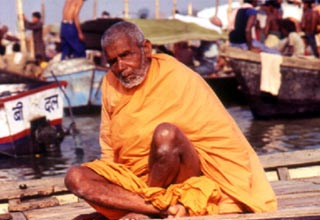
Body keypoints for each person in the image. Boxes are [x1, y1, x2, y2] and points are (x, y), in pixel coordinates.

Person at [64, 21, 277, 219]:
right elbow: (108, 147)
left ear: (146, 49)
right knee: (75, 177)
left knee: (166, 135)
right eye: (112, 61)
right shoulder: (110, 83)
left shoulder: (176, 75)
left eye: (126, 55)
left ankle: (142, 208)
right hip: (134, 181)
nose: (120, 67)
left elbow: (221, 138)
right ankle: (160, 209)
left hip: (184, 174)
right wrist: (108, 185)